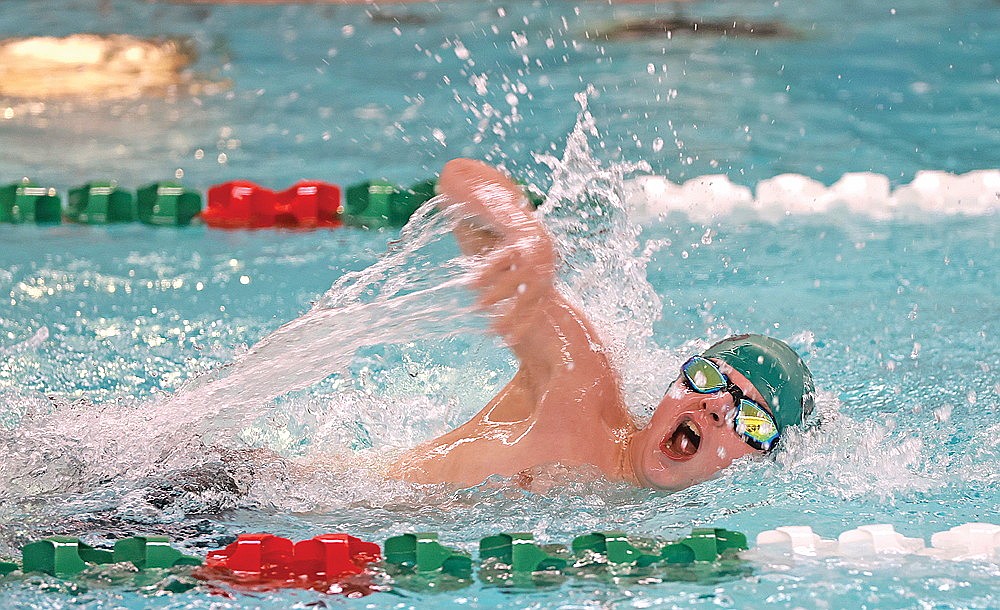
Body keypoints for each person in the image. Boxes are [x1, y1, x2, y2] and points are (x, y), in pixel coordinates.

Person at [389, 159, 814, 490]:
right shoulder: (581, 391)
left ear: (760, 462)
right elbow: (460, 178)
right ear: (673, 386)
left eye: (752, 421)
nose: (716, 407)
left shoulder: (641, 526)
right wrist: (523, 232)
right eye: (706, 378)